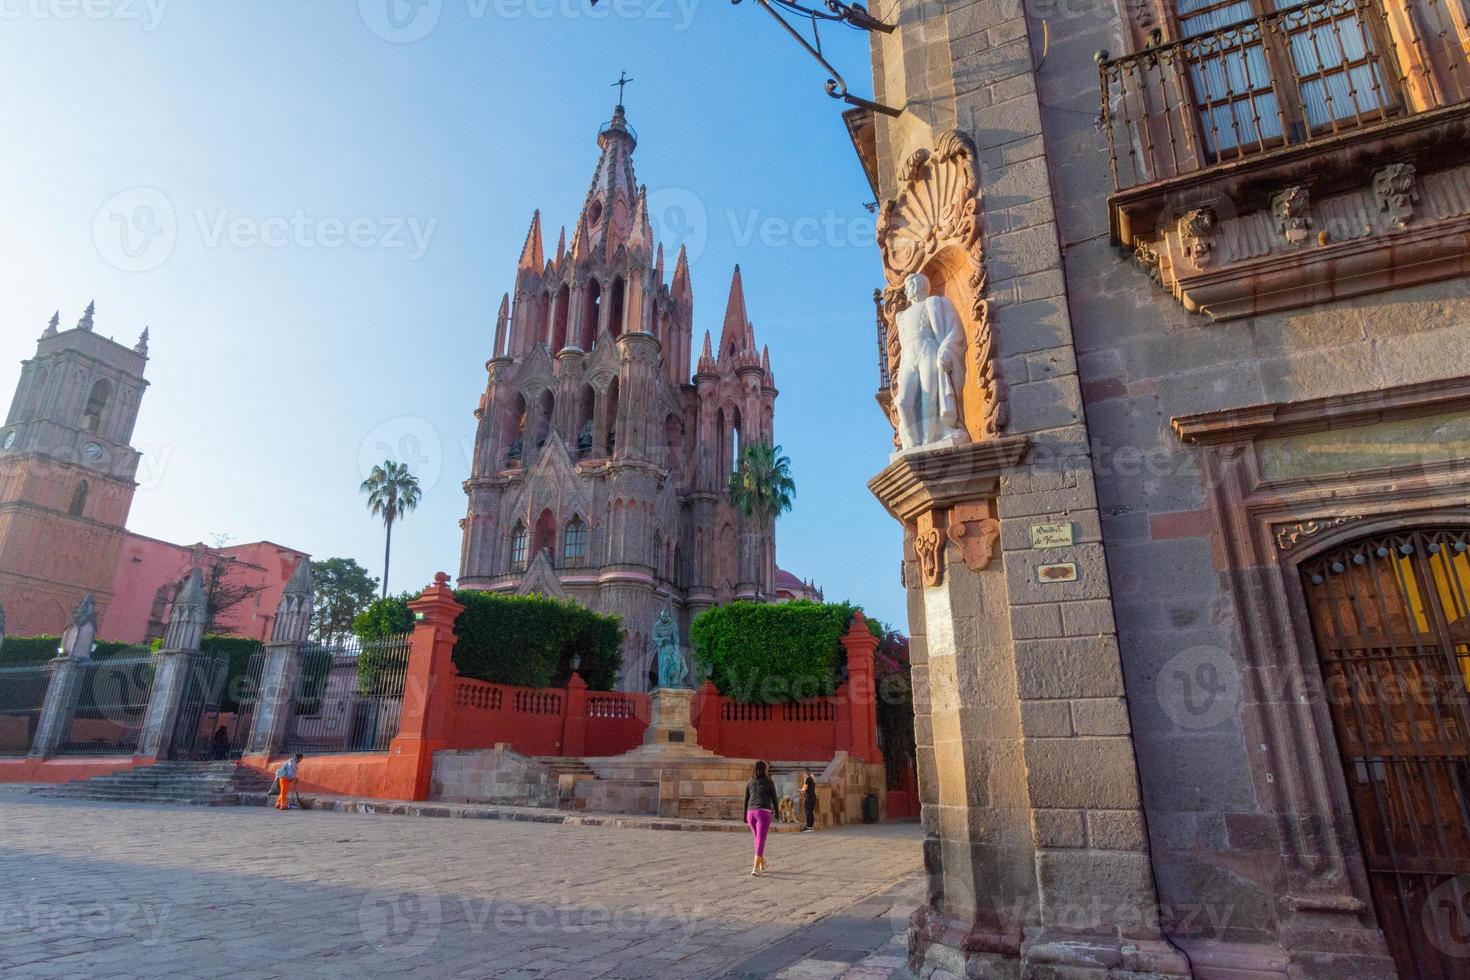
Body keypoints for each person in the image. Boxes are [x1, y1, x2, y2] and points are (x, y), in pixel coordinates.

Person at [744, 760, 778, 876]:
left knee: (757, 839)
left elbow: (746, 799)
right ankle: (755, 868)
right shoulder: (769, 782)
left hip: (750, 813)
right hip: (763, 812)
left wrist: (744, 816)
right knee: (761, 840)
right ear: (764, 769)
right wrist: (777, 813)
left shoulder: (750, 781)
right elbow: (774, 798)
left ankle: (762, 863)